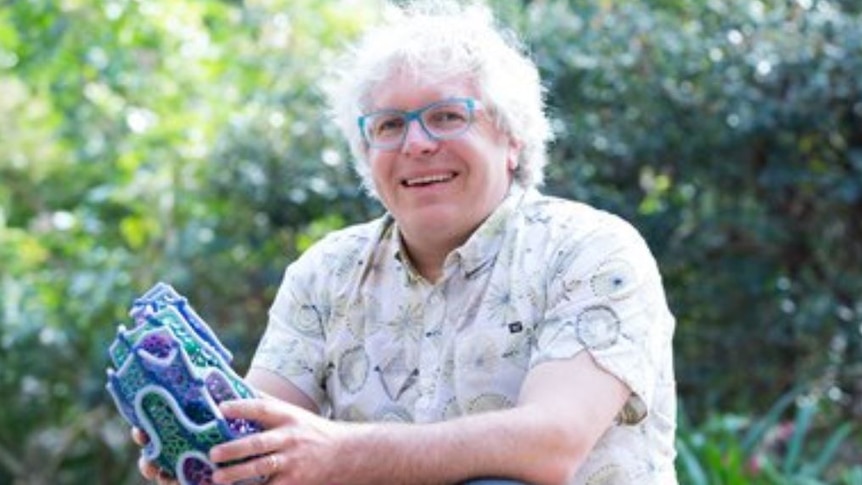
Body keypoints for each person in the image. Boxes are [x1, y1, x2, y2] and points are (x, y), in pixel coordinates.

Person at [136, 0, 678, 483]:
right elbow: (266, 439)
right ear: (366, 154)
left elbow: (550, 445)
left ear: (511, 139)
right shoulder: (326, 272)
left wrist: (337, 452)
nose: (417, 144)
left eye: (446, 116)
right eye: (390, 126)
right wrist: (209, 448)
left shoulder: (591, 251)